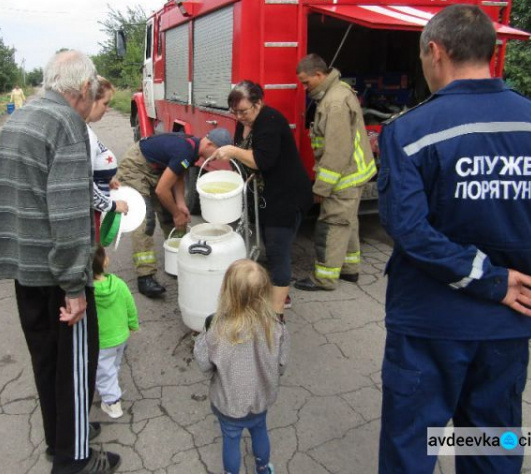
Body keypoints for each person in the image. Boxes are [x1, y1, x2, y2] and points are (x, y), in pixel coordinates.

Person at [377, 4, 531, 473]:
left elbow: (411, 231)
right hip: (507, 324)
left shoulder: (409, 131)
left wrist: (493, 281)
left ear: (435, 52)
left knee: (412, 447)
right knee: (494, 444)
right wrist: (530, 289)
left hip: (429, 324)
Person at [0, 51, 121, 474]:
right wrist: (73, 286)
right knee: (75, 368)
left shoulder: (23, 116)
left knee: (46, 359)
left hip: (25, 268)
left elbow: (7, 196)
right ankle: (74, 459)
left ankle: (60, 436)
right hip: (55, 271)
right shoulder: (66, 125)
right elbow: (66, 215)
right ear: (83, 89)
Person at [211, 81, 312, 314]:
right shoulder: (244, 123)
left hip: (288, 195)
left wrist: (233, 151)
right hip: (268, 193)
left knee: (278, 250)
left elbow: (262, 160)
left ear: (259, 103)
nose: (239, 117)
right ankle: (277, 293)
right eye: (234, 112)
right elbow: (246, 161)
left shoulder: (270, 121)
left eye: (244, 111)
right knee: (270, 243)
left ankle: (278, 314)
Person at [194, 259, 290, 474]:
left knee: (230, 440)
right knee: (260, 431)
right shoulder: (276, 326)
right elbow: (281, 364)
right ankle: (263, 468)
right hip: (260, 399)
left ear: (227, 291)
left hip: (228, 401)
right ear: (265, 292)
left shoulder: (217, 329)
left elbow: (203, 362)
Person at [115, 128, 232, 298]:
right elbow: (162, 190)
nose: (216, 158)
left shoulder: (193, 150)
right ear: (209, 144)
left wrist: (180, 204)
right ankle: (145, 277)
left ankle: (180, 261)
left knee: (171, 215)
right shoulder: (185, 151)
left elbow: (178, 175)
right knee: (145, 219)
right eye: (217, 153)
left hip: (156, 169)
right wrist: (177, 213)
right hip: (136, 167)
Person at [294, 54, 376, 291]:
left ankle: (325, 278)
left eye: (306, 82)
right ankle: (350, 269)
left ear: (319, 75)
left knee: (332, 224)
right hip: (354, 173)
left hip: (343, 177)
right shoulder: (336, 92)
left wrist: (321, 188)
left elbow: (336, 152)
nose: (304, 87)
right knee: (346, 221)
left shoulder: (334, 103)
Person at [66, 245, 138, 420]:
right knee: (113, 364)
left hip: (102, 341)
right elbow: (130, 305)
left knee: (103, 370)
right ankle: (110, 385)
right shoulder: (119, 284)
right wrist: (132, 324)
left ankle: (113, 403)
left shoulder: (85, 293)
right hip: (121, 336)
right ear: (105, 261)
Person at [88, 76, 128, 231]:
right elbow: (85, 184)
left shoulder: (86, 127)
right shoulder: (83, 132)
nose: (107, 108)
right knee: (95, 253)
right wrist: (112, 205)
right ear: (90, 101)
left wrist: (106, 178)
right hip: (91, 215)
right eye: (105, 103)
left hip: (94, 212)